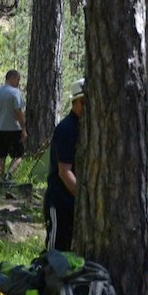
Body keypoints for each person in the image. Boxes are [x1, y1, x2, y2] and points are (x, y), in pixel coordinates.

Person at [44, 78, 84, 252]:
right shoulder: (67, 129)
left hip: (75, 202)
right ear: (76, 102)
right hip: (61, 200)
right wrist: (84, 199)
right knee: (56, 252)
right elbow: (64, 172)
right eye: (85, 102)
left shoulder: (88, 128)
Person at [0, 69, 27, 182]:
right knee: (18, 155)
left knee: (0, 157)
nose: (18, 83)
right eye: (18, 80)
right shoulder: (15, 93)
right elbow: (18, 112)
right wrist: (23, 129)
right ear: (12, 78)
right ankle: (9, 175)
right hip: (13, 129)